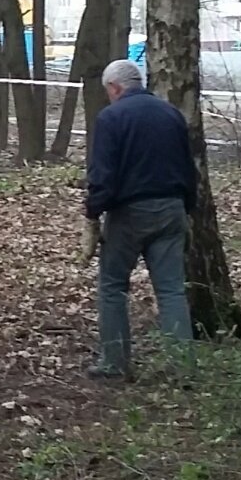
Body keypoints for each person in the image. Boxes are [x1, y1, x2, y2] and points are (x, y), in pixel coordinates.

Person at [82, 58, 196, 381]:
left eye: (108, 91)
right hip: (172, 208)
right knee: (171, 290)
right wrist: (188, 208)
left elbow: (103, 174)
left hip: (129, 213)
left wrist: (93, 211)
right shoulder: (171, 114)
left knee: (112, 286)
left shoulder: (111, 117)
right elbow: (189, 167)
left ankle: (115, 362)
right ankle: (182, 368)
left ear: (114, 87)